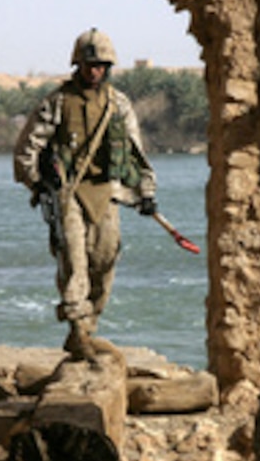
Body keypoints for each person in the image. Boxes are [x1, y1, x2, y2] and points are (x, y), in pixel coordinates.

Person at [13, 28, 157, 360]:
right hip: (69, 194)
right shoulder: (57, 103)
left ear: (108, 67)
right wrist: (38, 183)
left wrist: (145, 193)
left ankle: (88, 325)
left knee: (106, 259)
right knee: (74, 261)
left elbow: (136, 152)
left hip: (107, 193)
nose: (95, 71)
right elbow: (27, 148)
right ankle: (77, 328)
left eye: (101, 65)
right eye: (89, 64)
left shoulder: (118, 104)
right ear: (78, 64)